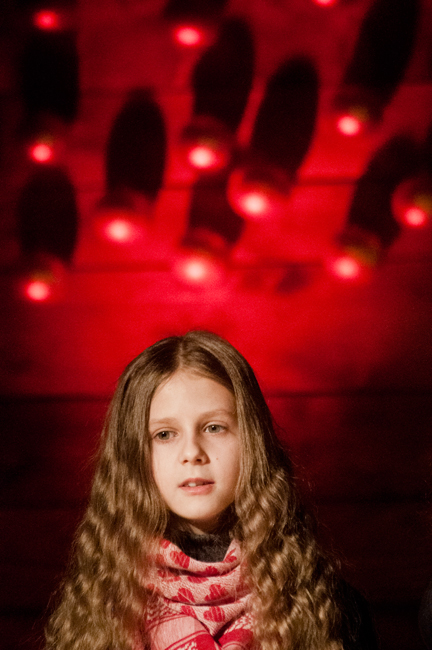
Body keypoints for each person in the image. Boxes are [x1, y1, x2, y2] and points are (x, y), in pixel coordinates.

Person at [44, 330, 376, 650]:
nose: (192, 452)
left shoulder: (327, 608)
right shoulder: (98, 609)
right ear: (134, 454)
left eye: (214, 427)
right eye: (164, 434)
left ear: (251, 442)